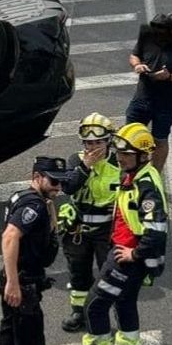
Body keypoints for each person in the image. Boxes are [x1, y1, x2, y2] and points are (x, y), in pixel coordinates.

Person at [56, 123, 168, 345]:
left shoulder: (146, 185)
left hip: (124, 259)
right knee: (126, 307)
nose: (120, 158)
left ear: (143, 155)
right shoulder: (135, 175)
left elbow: (156, 231)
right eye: (118, 152)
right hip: (125, 255)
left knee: (94, 307)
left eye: (126, 154)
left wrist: (134, 253)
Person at [0, 155, 75, 345]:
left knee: (10, 338)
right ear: (37, 176)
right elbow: (9, 237)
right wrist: (14, 283)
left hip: (17, 281)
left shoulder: (26, 197)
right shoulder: (34, 206)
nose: (58, 188)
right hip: (23, 285)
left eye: (62, 183)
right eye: (53, 181)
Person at [59, 113, 121, 333]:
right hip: (79, 229)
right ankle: (79, 313)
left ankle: (110, 315)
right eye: (88, 142)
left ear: (109, 141)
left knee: (110, 274)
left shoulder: (120, 162)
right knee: (78, 272)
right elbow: (68, 187)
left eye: (98, 142)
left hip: (107, 230)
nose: (93, 146)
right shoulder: (76, 161)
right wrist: (86, 166)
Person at [125, 13, 172, 171]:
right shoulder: (147, 38)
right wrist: (137, 65)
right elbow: (134, 55)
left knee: (159, 139)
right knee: (130, 137)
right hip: (142, 97)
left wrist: (169, 77)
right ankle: (131, 173)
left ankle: (154, 175)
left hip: (166, 103)